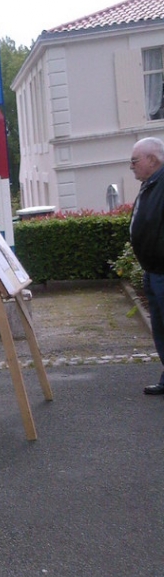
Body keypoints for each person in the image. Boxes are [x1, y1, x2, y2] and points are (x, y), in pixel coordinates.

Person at [129, 136, 164, 394]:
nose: (131, 167)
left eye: (134, 161)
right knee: (160, 330)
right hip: (153, 270)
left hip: (162, 270)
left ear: (153, 160)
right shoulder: (150, 184)